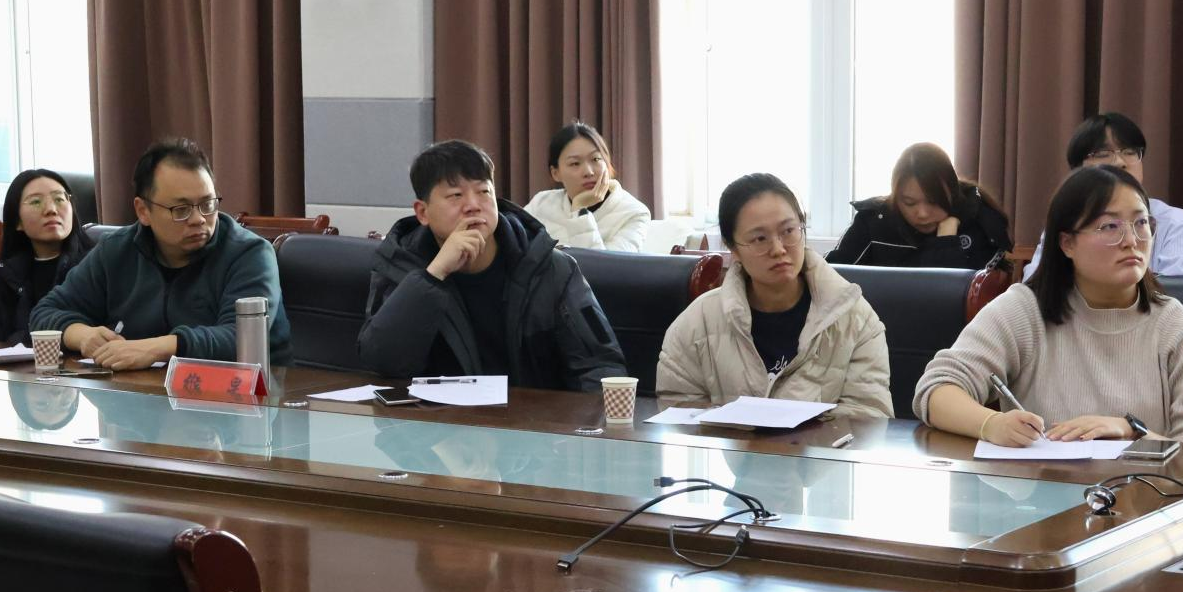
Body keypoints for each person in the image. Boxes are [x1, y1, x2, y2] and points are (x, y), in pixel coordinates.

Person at [914, 166, 1183, 446]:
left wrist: (1130, 430)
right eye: (1110, 226)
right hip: (1041, 487)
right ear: (1067, 243)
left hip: (1146, 489)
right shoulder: (1025, 310)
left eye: (1141, 223)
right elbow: (936, 389)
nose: (1131, 240)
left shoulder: (1182, 331)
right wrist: (991, 423)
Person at [359, 139, 627, 390]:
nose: (473, 205)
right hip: (438, 421)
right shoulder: (399, 265)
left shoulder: (550, 268)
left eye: (484, 192)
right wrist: (434, 274)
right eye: (456, 195)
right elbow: (382, 363)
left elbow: (600, 366)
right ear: (422, 212)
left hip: (532, 419)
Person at [30, 137, 291, 370]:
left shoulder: (249, 253)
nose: (199, 219)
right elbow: (45, 312)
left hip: (249, 397)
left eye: (207, 204)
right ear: (143, 211)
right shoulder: (116, 251)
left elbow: (242, 338)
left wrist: (156, 348)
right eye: (181, 209)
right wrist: (83, 336)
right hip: (144, 395)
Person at [657, 173, 893, 417]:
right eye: (760, 239)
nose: (778, 249)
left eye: (788, 231)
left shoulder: (854, 318)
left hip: (824, 444)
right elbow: (678, 413)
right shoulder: (698, 323)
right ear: (732, 247)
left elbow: (869, 416)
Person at [1022, 112, 1183, 279]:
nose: (1120, 162)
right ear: (1078, 170)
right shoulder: (1066, 220)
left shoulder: (1176, 223)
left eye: (1130, 152)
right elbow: (1035, 285)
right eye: (1103, 154)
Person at [826, 142, 1011, 269]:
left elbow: (950, 294)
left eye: (933, 201)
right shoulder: (874, 221)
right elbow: (831, 277)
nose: (922, 213)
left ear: (952, 192)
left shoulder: (980, 221)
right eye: (909, 203)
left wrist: (946, 241)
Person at [0, 169, 91, 346]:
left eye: (59, 199)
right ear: (17, 221)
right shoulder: (8, 272)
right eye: (36, 202)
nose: (51, 210)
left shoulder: (94, 264)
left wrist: (17, 340)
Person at [524, 121, 651, 251]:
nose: (588, 172)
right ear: (555, 173)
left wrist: (580, 210)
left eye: (596, 159)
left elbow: (602, 264)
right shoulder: (541, 204)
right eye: (575, 163)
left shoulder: (634, 213)